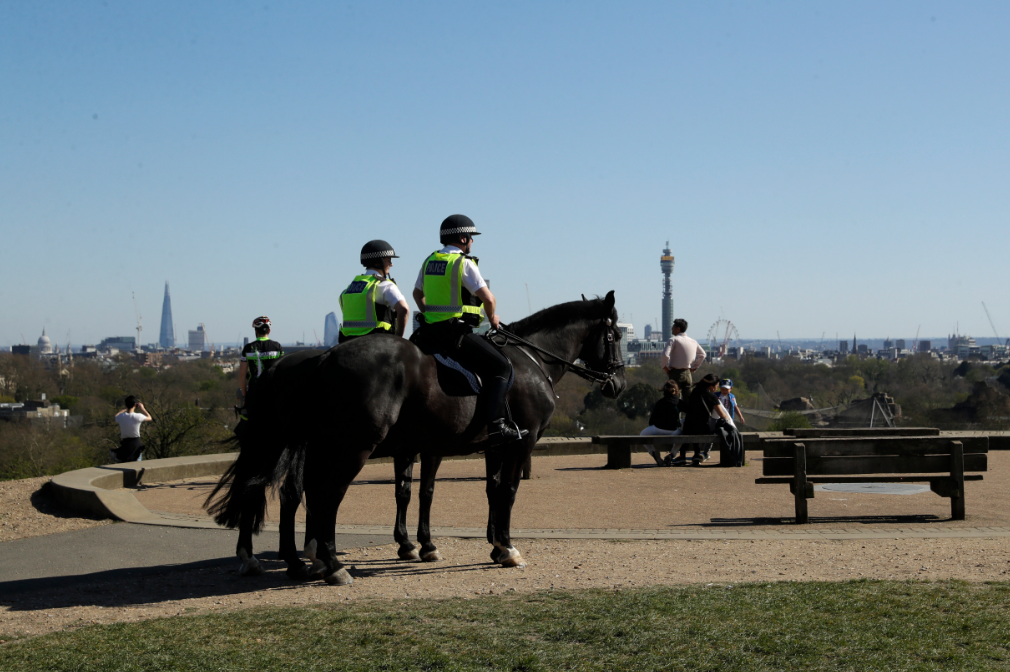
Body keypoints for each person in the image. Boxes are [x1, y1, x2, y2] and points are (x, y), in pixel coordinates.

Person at [412, 214, 526, 447]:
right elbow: (488, 298)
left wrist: (429, 314)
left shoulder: (429, 261)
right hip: (455, 334)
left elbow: (416, 294)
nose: (472, 241)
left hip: (429, 333)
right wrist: (492, 319)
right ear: (463, 238)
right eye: (471, 237)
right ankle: (497, 425)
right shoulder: (463, 263)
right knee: (502, 366)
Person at [339, 240, 410, 343]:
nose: (391, 264)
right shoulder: (384, 285)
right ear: (377, 262)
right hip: (378, 341)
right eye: (388, 260)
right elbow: (404, 309)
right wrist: (399, 339)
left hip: (346, 341)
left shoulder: (348, 290)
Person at [668, 373, 733, 466]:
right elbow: (722, 414)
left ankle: (682, 456)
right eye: (717, 386)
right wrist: (729, 420)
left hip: (688, 427)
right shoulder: (712, 397)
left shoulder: (694, 393)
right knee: (703, 427)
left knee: (690, 427)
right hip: (703, 428)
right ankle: (697, 455)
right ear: (711, 386)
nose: (717, 388)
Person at [238, 316, 284, 413]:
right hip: (273, 391)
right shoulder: (277, 346)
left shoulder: (248, 348)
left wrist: (245, 396)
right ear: (269, 331)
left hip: (254, 391)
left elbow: (242, 375)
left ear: (256, 331)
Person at [639, 380, 683, 466]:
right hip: (673, 431)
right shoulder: (679, 402)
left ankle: (653, 452)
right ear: (676, 390)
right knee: (681, 436)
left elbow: (652, 420)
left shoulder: (660, 402)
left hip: (658, 428)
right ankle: (672, 455)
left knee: (642, 434)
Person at [661, 318, 706, 397]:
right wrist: (694, 367)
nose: (672, 328)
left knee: (674, 398)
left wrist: (665, 368)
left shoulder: (673, 340)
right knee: (688, 399)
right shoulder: (693, 341)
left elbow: (665, 355)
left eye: (673, 326)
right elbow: (703, 355)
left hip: (675, 373)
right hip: (688, 373)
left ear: (678, 329)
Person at [112, 395, 151, 463]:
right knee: (136, 466)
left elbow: (115, 416)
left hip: (125, 444)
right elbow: (149, 418)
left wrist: (124, 410)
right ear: (135, 405)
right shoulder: (138, 416)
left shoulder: (121, 417)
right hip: (136, 444)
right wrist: (143, 408)